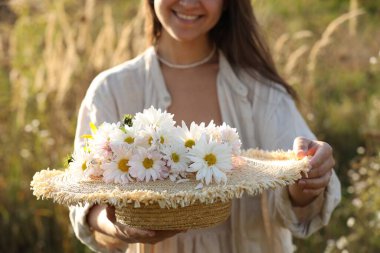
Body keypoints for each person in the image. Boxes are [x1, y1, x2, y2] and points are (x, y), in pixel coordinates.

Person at [70, 0, 341, 252]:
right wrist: (116, 226)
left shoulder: (261, 92)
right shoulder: (111, 91)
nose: (189, 2)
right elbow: (86, 199)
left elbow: (298, 195)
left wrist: (308, 177)